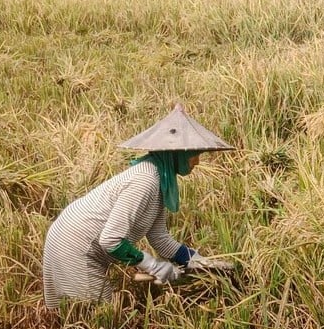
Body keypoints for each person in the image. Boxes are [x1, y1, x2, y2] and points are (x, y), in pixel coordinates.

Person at [41, 104, 233, 309]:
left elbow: (160, 238)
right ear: (176, 153)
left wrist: (200, 263)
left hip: (71, 236)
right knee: (95, 314)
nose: (197, 162)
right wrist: (152, 265)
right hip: (75, 245)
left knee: (86, 312)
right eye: (194, 154)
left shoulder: (161, 180)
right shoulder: (145, 180)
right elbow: (110, 240)